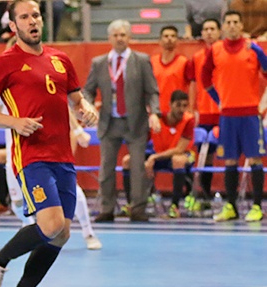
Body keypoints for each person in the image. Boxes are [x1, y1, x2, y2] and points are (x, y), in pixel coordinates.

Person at [0, 0, 97, 287]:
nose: (32, 21)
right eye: (24, 17)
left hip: (63, 158)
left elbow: (74, 99)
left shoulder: (61, 59)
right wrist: (13, 122)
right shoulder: (4, 63)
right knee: (52, 223)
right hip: (32, 157)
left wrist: (86, 110)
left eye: (36, 15)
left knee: (61, 234)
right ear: (14, 26)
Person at [83, 19, 160, 222]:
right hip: (109, 122)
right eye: (116, 35)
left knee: (137, 168)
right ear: (109, 38)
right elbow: (88, 90)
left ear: (129, 37)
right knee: (106, 168)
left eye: (123, 34)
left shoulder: (141, 60)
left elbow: (152, 91)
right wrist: (89, 106)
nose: (119, 38)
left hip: (135, 122)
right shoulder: (99, 63)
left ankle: (138, 209)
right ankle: (107, 209)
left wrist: (154, 113)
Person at [203, 10, 267, 222]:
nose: (231, 26)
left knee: (255, 158)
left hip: (250, 114)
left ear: (241, 26)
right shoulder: (215, 50)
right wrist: (218, 99)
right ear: (223, 27)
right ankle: (230, 206)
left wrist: (259, 50)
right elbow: (204, 78)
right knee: (230, 160)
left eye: (235, 22)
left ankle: (257, 206)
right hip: (227, 115)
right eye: (228, 22)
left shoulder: (253, 49)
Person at [7, 110, 102, 249]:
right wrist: (13, 122)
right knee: (18, 202)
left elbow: (63, 106)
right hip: (15, 155)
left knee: (70, 190)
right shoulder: (3, 94)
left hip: (44, 151)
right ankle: (29, 231)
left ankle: (88, 233)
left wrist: (77, 130)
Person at [121, 91, 196, 219]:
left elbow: (179, 149)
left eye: (185, 106)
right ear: (170, 104)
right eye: (178, 105)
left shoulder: (188, 120)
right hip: (158, 155)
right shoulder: (157, 119)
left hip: (184, 155)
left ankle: (174, 207)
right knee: (127, 160)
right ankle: (130, 204)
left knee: (178, 160)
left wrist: (153, 158)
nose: (182, 109)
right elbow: (140, 141)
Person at [188, 17, 221, 206]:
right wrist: (194, 109)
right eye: (206, 29)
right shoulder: (197, 57)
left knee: (228, 154)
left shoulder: (225, 54)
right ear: (201, 34)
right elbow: (193, 84)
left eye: (212, 28)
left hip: (224, 111)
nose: (209, 32)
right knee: (204, 155)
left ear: (219, 31)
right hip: (204, 112)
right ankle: (204, 195)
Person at [151, 25, 192, 119]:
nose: (169, 39)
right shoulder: (152, 62)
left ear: (177, 41)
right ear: (160, 41)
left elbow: (191, 87)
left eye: (173, 36)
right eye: (166, 36)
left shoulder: (184, 62)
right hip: (157, 111)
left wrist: (189, 107)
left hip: (178, 113)